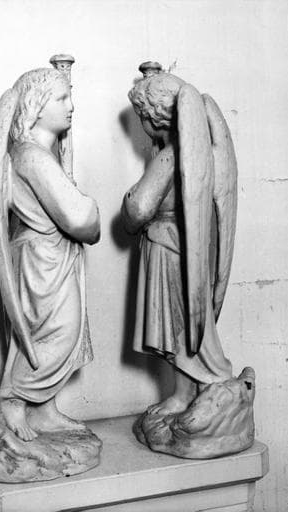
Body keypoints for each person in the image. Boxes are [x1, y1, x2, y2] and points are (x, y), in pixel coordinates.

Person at [0, 68, 100, 441]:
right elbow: (80, 219)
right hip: (44, 259)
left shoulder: (35, 155)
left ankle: (44, 411)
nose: (71, 106)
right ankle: (13, 399)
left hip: (48, 255)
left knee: (50, 333)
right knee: (57, 334)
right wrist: (91, 209)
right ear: (35, 106)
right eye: (61, 98)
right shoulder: (33, 157)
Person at [121, 65, 234, 416]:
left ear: (153, 116)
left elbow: (139, 209)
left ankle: (190, 392)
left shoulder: (171, 156)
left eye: (141, 115)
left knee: (178, 325)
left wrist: (129, 199)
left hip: (168, 249)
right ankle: (187, 393)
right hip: (183, 246)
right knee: (180, 324)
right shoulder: (192, 150)